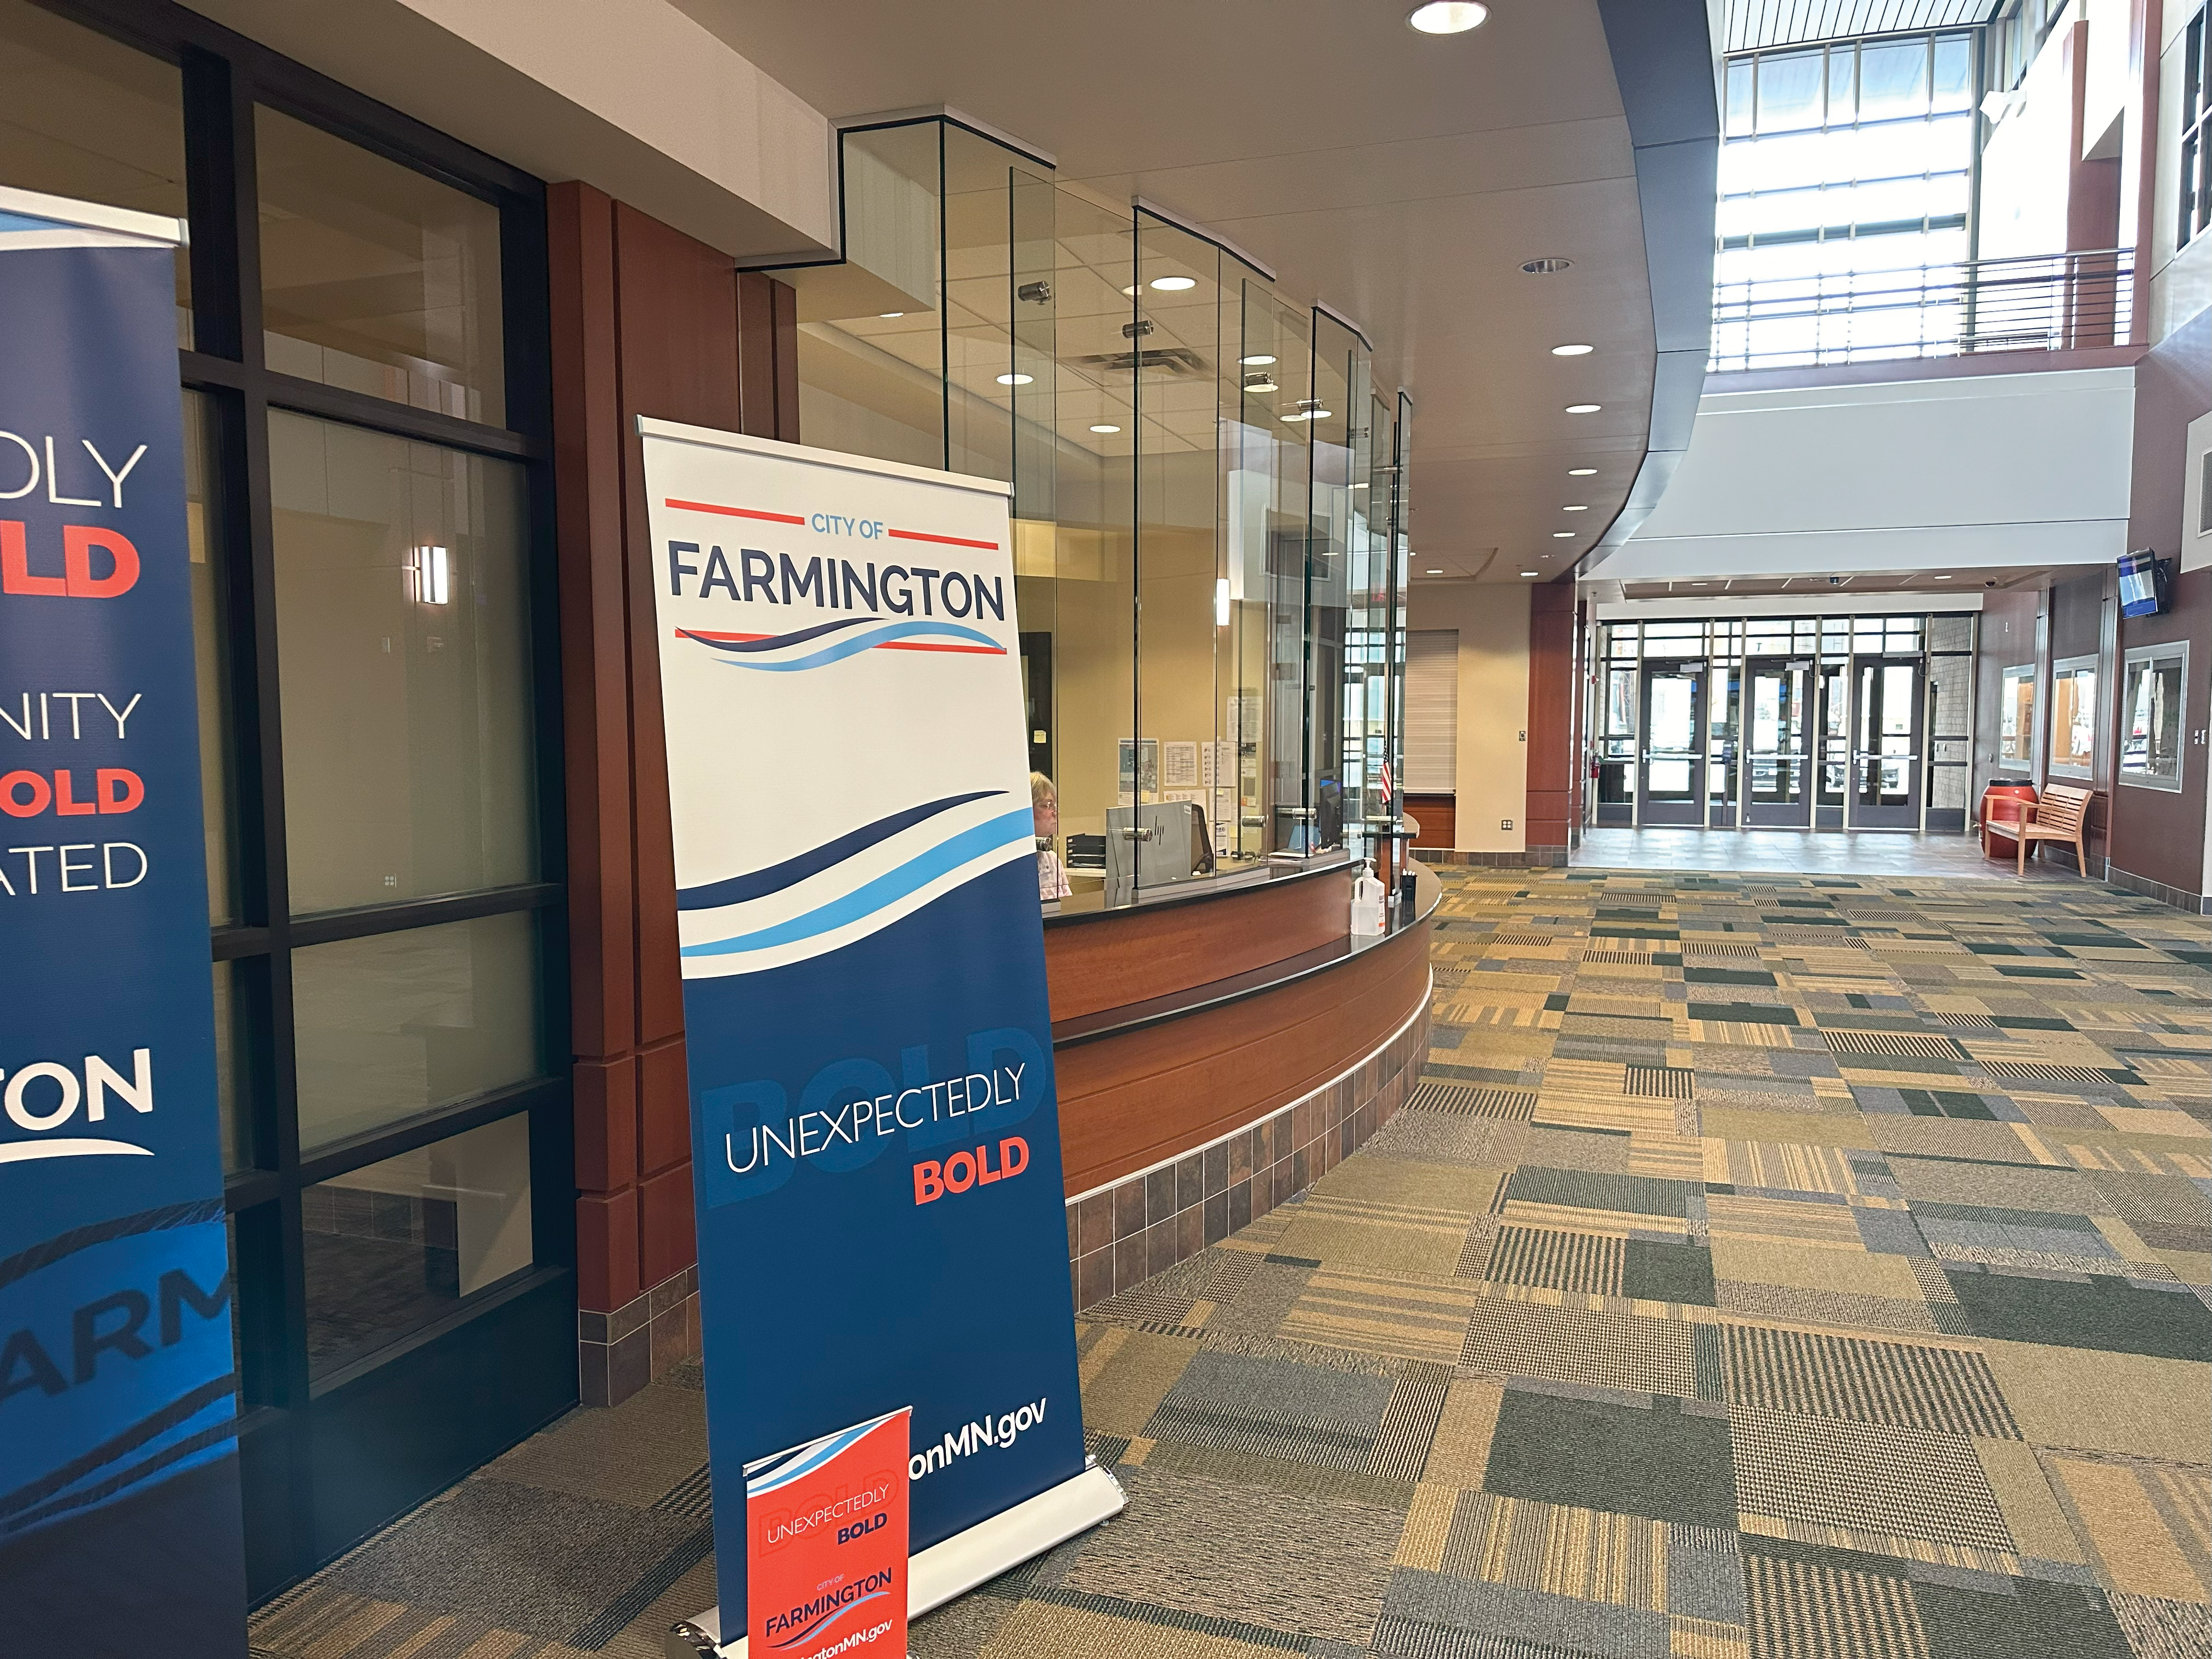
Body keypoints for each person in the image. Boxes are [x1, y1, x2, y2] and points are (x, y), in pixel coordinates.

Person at [1031, 771, 1073, 900]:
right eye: (1046, 806)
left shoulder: (1053, 860)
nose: (1056, 812)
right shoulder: (1010, 862)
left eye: (1055, 805)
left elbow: (1068, 906)